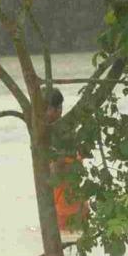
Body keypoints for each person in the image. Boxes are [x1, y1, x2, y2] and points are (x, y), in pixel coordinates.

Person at [45, 88, 86, 231]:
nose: (43, 114)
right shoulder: (49, 134)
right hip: (64, 209)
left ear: (59, 109)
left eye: (47, 109)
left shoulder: (64, 137)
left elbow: (63, 171)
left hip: (68, 211)